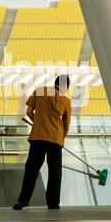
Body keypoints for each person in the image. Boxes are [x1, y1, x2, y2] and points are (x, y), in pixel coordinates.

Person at [13, 75, 71, 210]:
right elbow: (66, 126)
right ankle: (53, 204)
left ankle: (23, 200)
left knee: (32, 169)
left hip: (38, 136)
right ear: (65, 86)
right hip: (56, 139)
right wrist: (61, 139)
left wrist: (37, 123)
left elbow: (28, 111)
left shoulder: (40, 91)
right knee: (55, 172)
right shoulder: (66, 101)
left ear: (55, 83)